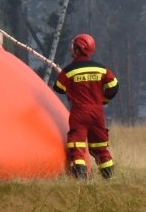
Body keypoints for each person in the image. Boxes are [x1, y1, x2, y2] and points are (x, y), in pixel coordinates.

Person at [50, 33, 119, 180]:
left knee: (77, 146)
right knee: (100, 147)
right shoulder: (101, 69)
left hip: (79, 113)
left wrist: (70, 84)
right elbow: (114, 86)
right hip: (97, 113)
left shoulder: (69, 71)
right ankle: (110, 179)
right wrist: (104, 99)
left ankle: (81, 180)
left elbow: (58, 88)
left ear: (77, 49)